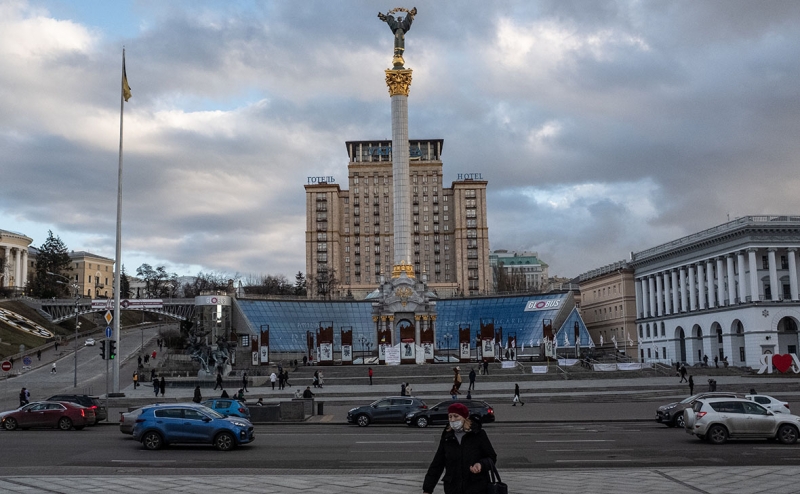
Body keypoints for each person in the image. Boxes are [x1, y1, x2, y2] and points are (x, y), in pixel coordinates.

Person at [422, 402, 497, 494]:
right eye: (450, 417)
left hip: (476, 487)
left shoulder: (478, 434)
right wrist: (427, 489)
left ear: (465, 417)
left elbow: (492, 457)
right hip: (453, 487)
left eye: (456, 416)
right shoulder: (447, 436)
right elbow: (437, 464)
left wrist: (481, 465)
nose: (452, 420)